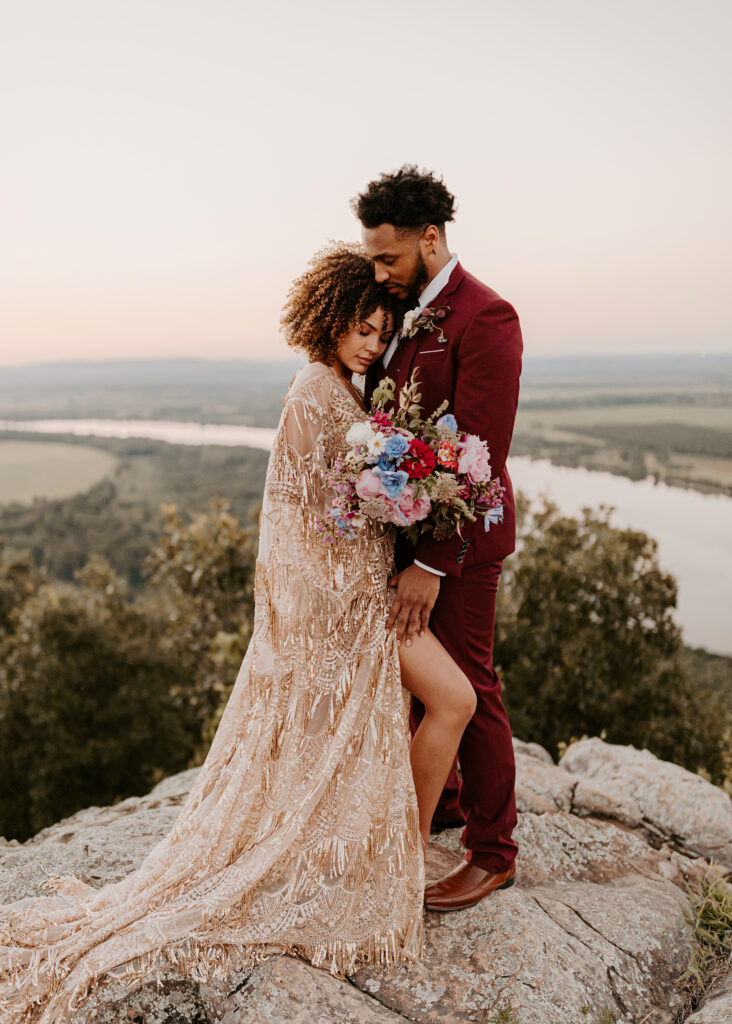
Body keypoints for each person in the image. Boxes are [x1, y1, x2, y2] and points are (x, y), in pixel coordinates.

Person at [0, 243, 476, 1024]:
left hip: (367, 600)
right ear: (327, 321)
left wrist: (413, 494)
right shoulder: (316, 392)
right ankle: (403, 859)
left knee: (450, 703)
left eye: (378, 329)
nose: (368, 341)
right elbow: (293, 525)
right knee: (451, 701)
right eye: (358, 326)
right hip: (347, 611)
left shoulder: (340, 390)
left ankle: (401, 852)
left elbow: (342, 506)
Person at [354, 166, 524, 912]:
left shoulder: (486, 316)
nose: (379, 272)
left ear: (430, 239)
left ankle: (493, 852)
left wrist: (430, 562)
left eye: (388, 257)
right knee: (424, 687)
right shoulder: (405, 312)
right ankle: (448, 801)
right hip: (406, 532)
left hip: (460, 549)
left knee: (471, 689)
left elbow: (482, 457)